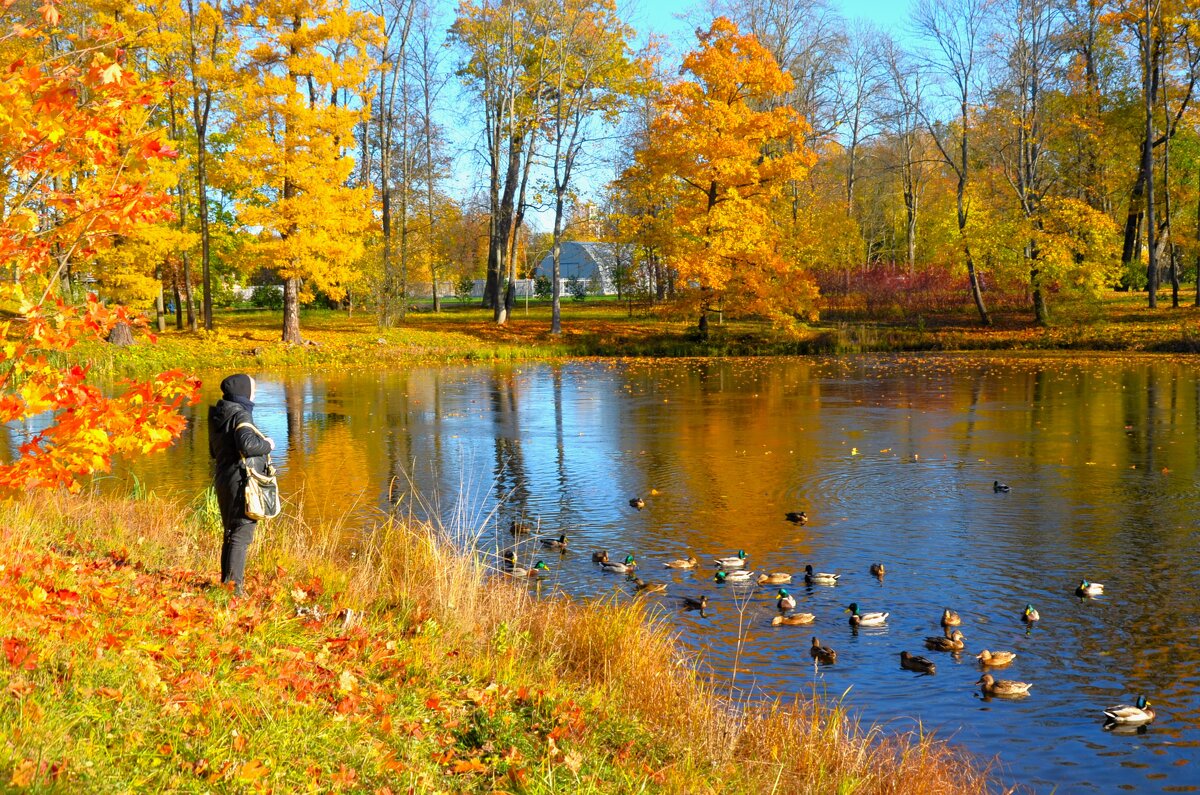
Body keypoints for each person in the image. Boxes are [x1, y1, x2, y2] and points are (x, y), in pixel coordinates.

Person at [208, 374, 274, 596]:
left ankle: (227, 584)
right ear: (244, 392)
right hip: (241, 482)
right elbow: (247, 444)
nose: (254, 394)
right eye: (253, 390)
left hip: (224, 478)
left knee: (231, 532)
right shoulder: (240, 413)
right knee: (241, 534)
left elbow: (213, 451)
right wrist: (268, 444)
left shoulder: (219, 414)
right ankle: (235, 590)